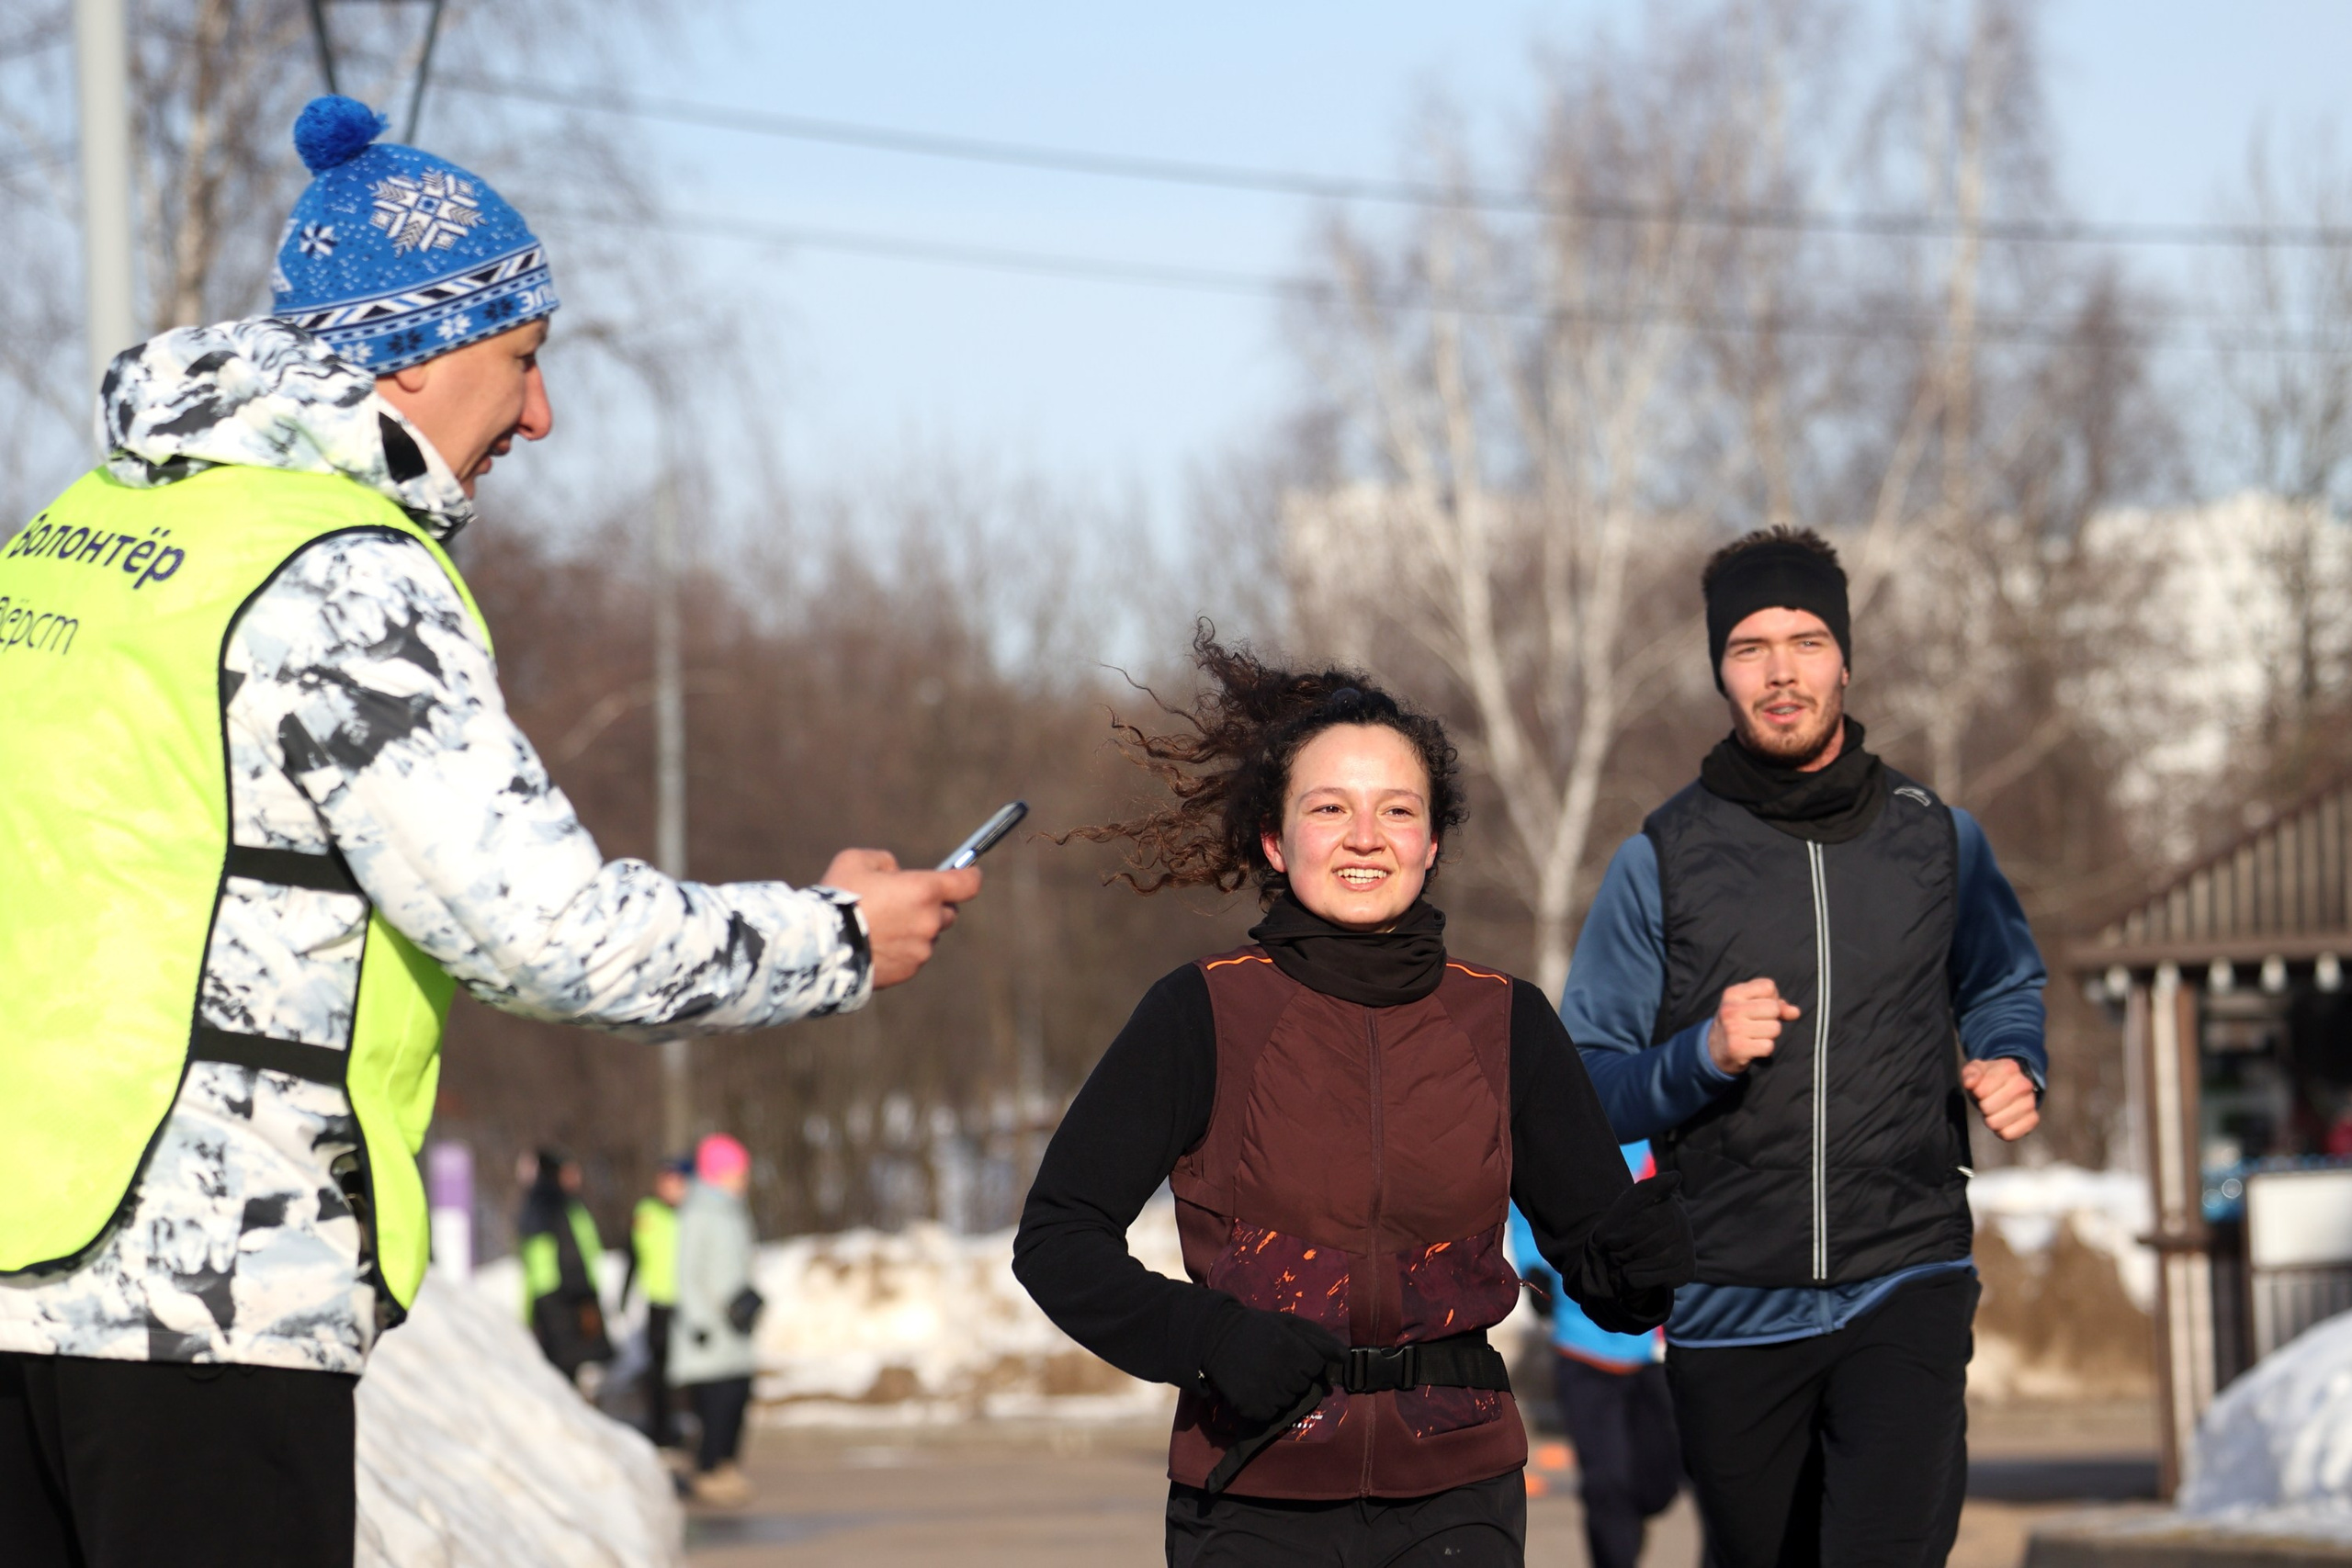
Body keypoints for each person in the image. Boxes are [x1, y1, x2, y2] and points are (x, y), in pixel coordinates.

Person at [0, 96, 978, 1568]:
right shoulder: (342, 576)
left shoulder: (72, 537)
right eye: (522, 359)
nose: (540, 415)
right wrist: (836, 938)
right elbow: (548, 931)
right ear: (415, 351)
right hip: (209, 1293)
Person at [1013, 633, 1693, 1568]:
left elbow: (1600, 1262)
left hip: (1459, 1497)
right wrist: (1210, 1339)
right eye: (1329, 807)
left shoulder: (1505, 1019)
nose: (1365, 836)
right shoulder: (1201, 1011)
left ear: (1432, 842)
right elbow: (1058, 1239)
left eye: (1396, 810)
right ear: (1274, 837)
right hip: (1250, 1486)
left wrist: (1639, 1263)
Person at [1562, 527, 2047, 1568]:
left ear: (1845, 659)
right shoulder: (1659, 860)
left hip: (1906, 1270)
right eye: (1750, 647)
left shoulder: (1938, 838)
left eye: (1806, 640)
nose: (1781, 671)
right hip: (1730, 1300)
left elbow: (2004, 979)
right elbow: (1587, 1083)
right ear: (1720, 671)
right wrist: (1699, 1054)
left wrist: (2014, 1056)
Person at [1507, 1141, 1691, 1568]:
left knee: (1659, 1484)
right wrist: (1532, 1268)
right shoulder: (1561, 1130)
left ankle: (1629, 1518)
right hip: (1582, 1344)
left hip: (1652, 1351)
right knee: (1606, 1484)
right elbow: (1524, 1204)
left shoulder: (1655, 1135)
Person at [672, 1134, 761, 1506]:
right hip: (708, 1329)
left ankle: (727, 1464)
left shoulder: (735, 1211)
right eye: (737, 1173)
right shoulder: (697, 1213)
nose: (744, 1180)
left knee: (739, 1395)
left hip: (736, 1324)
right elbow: (687, 1272)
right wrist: (699, 1321)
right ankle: (707, 1469)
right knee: (715, 1404)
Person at [519, 1148, 614, 1386]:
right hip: (564, 1293)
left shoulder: (535, 1203)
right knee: (570, 1364)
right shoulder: (558, 1205)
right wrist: (584, 1294)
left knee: (560, 1362)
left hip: (548, 1292)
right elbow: (570, 1251)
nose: (576, 1177)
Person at [626, 1156, 693, 1448]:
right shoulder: (646, 1212)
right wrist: (625, 1294)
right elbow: (632, 1254)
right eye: (665, 1182)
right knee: (659, 1368)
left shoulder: (692, 1214)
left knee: (689, 1368)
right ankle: (660, 1427)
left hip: (688, 1302)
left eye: (676, 1183)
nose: (670, 1189)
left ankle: (689, 1423)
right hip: (658, 1301)